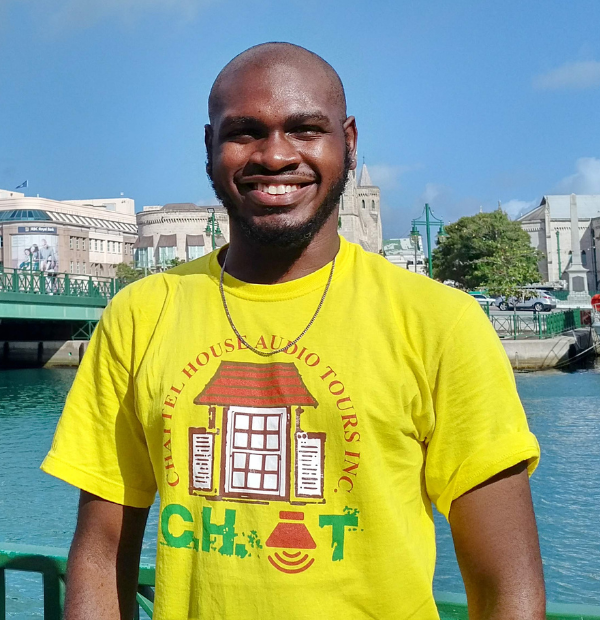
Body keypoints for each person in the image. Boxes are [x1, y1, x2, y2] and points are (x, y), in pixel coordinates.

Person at [42, 42, 545, 620]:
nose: (276, 155)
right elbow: (102, 556)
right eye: (245, 132)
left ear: (348, 142)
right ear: (209, 146)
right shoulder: (139, 316)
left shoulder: (440, 322)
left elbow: (507, 589)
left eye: (306, 130)